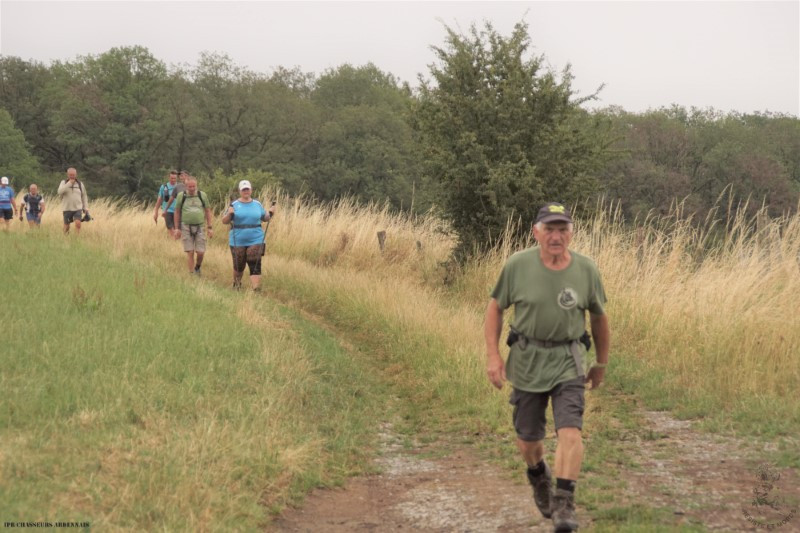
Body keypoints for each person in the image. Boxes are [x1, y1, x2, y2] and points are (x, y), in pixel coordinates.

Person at [484, 202, 610, 532]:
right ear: (536, 233)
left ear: (571, 233)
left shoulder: (586, 269)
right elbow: (495, 308)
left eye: (562, 229)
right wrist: (493, 356)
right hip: (527, 360)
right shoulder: (517, 265)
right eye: (549, 229)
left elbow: (599, 317)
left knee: (570, 431)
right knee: (528, 440)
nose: (556, 236)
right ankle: (539, 475)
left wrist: (600, 362)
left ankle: (564, 502)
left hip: (569, 359)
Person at [221, 180, 275, 291]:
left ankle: (256, 289)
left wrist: (271, 212)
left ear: (251, 190)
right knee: (239, 265)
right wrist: (230, 214)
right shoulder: (234, 205)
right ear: (240, 191)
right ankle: (237, 284)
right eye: (243, 189)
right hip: (238, 239)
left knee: (254, 262)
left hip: (256, 238)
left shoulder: (257, 204)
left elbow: (265, 218)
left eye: (247, 189)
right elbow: (224, 221)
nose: (246, 191)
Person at [172, 176, 213, 275]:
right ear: (186, 186)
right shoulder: (181, 196)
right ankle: (191, 274)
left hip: (200, 226)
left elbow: (208, 211)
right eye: (189, 187)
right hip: (186, 226)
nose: (192, 188)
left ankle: (197, 267)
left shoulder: (202, 195)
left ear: (196, 186)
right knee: (190, 251)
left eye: (193, 186)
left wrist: (210, 227)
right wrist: (177, 228)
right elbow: (177, 211)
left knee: (201, 252)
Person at [57, 168, 89, 235]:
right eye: (70, 175)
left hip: (78, 208)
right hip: (67, 208)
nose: (72, 176)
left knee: (78, 224)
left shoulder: (80, 184)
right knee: (67, 226)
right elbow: (59, 192)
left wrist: (85, 207)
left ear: (76, 175)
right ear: (67, 175)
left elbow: (84, 196)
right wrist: (69, 183)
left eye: (73, 175)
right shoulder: (63, 182)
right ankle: (65, 237)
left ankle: (76, 238)